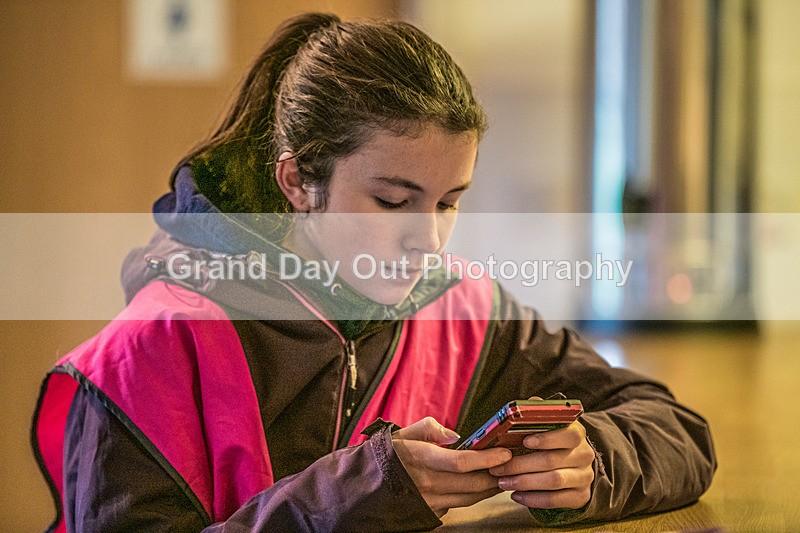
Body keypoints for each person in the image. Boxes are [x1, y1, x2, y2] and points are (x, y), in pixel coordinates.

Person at [32, 12, 716, 532]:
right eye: (393, 200)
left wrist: (592, 458)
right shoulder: (149, 350)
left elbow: (679, 429)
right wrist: (357, 491)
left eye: (449, 201)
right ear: (298, 180)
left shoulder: (462, 311)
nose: (428, 238)